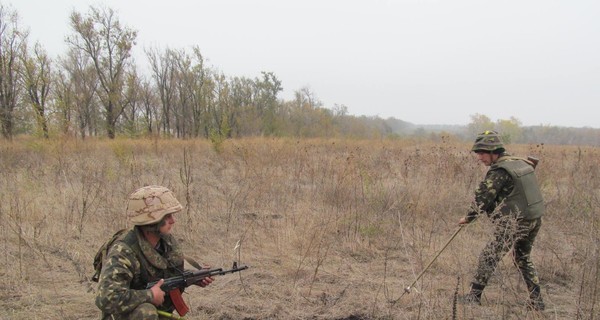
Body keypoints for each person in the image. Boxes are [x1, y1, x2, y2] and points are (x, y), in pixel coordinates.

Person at [95, 185, 213, 319]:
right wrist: (149, 295)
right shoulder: (123, 251)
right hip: (128, 316)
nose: (173, 221)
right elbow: (105, 298)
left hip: (160, 313)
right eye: (167, 216)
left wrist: (191, 279)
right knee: (146, 311)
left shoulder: (167, 242)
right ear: (152, 220)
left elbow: (164, 278)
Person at [458, 131, 545, 311]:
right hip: (534, 218)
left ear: (494, 152)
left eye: (482, 153)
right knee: (522, 257)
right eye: (478, 153)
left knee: (489, 256)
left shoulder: (500, 171)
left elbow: (483, 198)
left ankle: (474, 297)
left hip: (516, 221)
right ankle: (537, 301)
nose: (479, 157)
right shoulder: (520, 163)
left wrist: (469, 218)